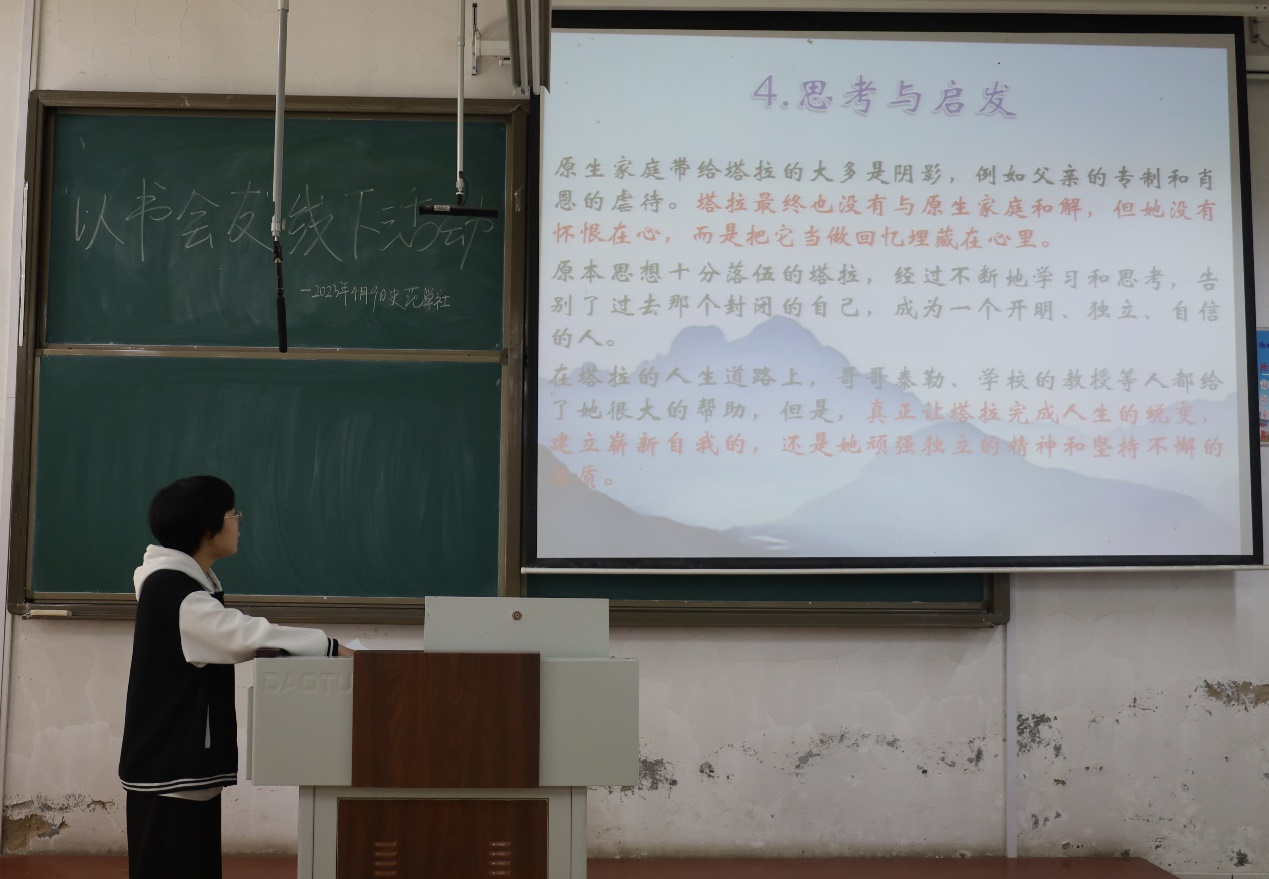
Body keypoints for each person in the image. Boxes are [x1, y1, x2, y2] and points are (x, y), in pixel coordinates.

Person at [118, 475, 352, 879]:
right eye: (232, 514)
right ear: (206, 528)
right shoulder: (178, 593)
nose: (239, 522)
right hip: (171, 766)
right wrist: (330, 647)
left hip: (175, 763)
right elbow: (246, 634)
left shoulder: (181, 584)